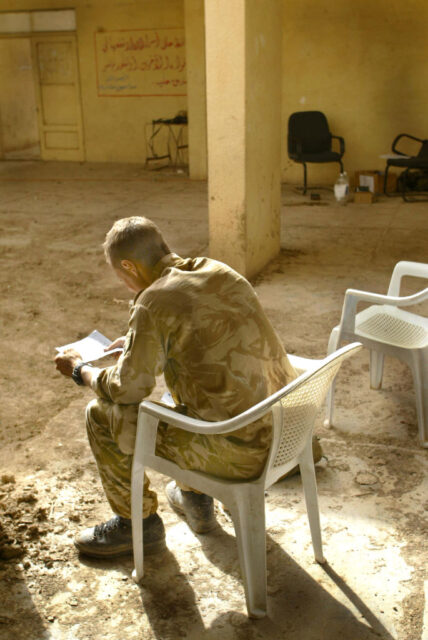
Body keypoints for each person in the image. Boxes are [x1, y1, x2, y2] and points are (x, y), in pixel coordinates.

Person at [55, 216, 299, 558]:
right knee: (178, 394)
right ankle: (196, 499)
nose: (124, 282)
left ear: (128, 265)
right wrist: (136, 342)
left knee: (102, 414)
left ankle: (136, 526)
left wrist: (81, 370)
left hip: (243, 453)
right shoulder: (216, 269)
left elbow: (128, 390)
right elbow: (198, 338)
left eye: (121, 275)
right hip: (286, 431)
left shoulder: (153, 301)